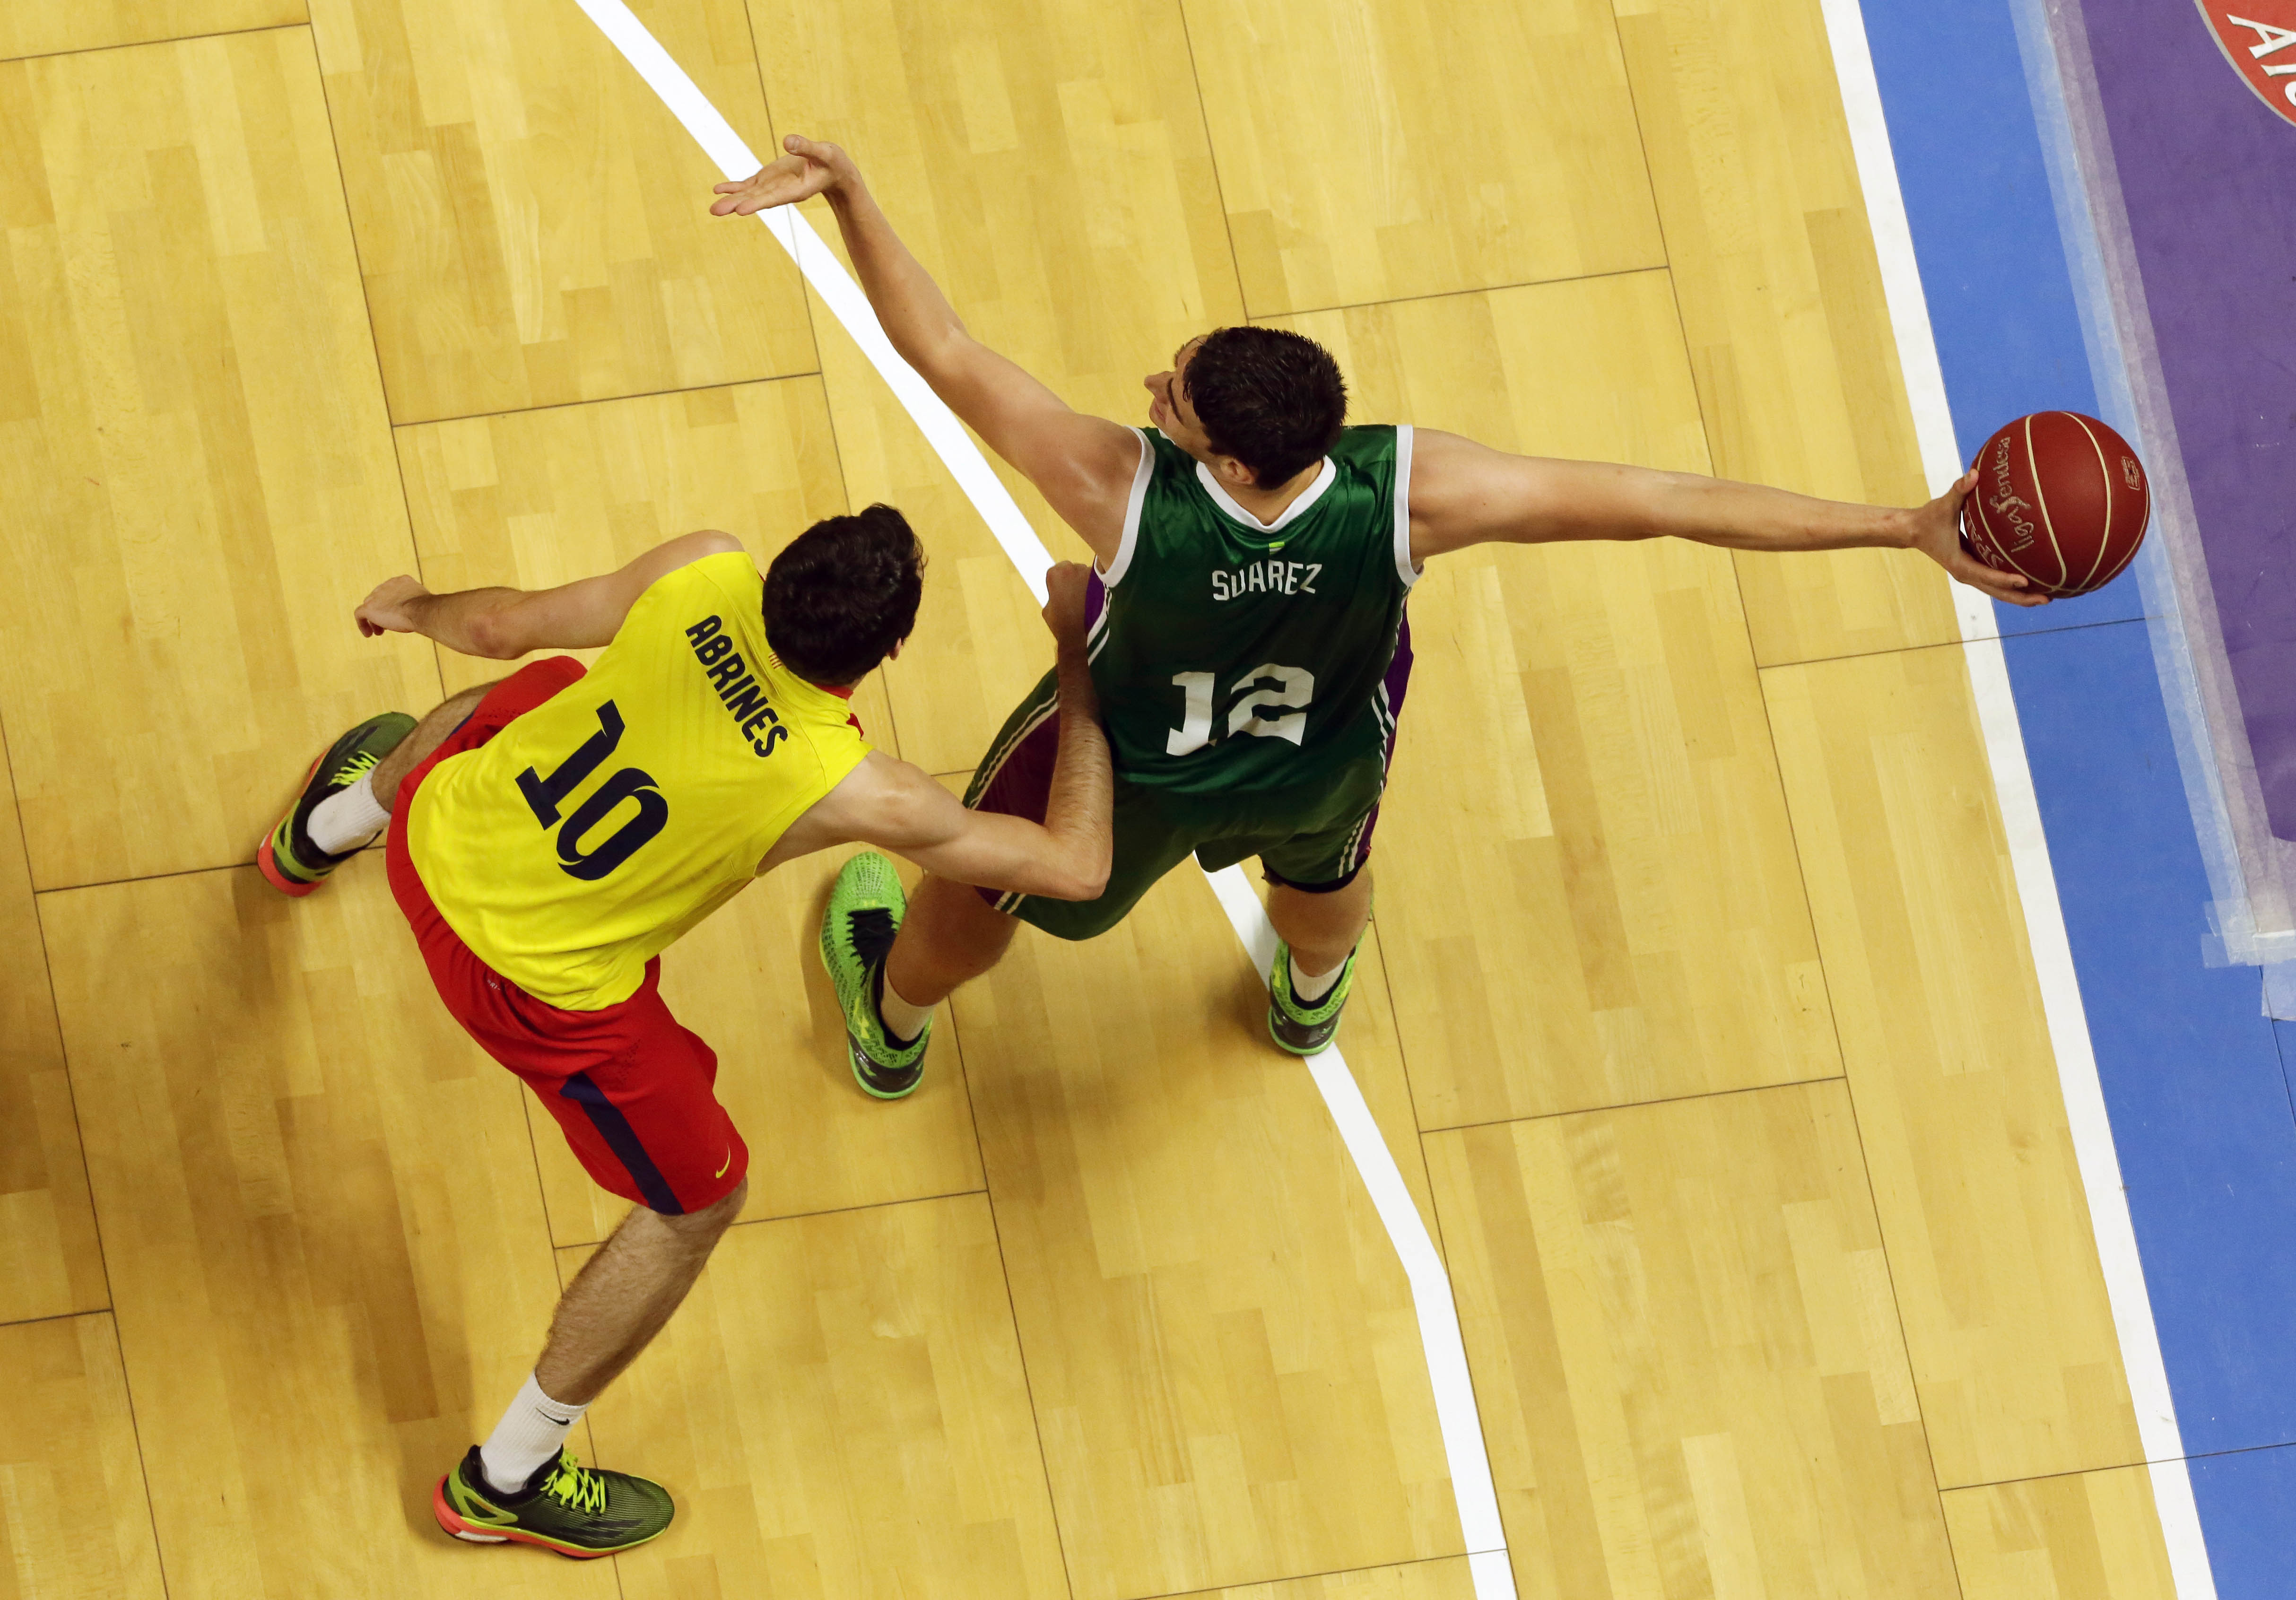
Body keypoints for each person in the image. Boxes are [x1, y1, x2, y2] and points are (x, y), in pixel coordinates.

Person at [709, 136, 2045, 1097]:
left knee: (975, 876)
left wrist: (856, 197)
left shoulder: (1118, 492)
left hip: (1132, 771)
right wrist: (1898, 528)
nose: (1154, 391)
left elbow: (943, 349)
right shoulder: (1410, 490)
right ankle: (1303, 1008)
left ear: (1230, 464)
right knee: (1329, 873)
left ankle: (889, 1022)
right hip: (1318, 755)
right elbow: (1664, 498)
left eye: (1174, 400)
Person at [257, 513, 1111, 1557]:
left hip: (436, 835)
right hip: (531, 991)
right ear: (887, 654)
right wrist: (1077, 658)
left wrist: (409, 608)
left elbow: (493, 625)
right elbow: (1074, 868)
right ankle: (507, 1479)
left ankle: (326, 828)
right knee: (698, 1203)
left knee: (528, 699)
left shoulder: (703, 570)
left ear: (779, 575)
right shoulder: (855, 787)